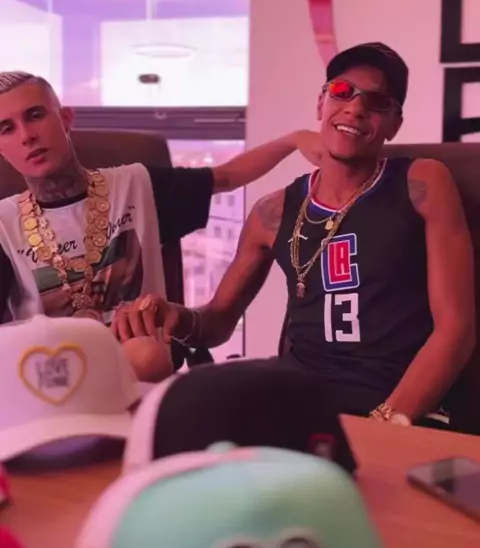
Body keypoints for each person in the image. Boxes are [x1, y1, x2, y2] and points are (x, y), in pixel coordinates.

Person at [114, 43, 476, 425]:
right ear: (322, 103)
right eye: (342, 91)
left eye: (377, 102)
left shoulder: (422, 183)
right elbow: (217, 322)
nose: (355, 108)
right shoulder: (272, 212)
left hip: (398, 408)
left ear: (394, 123)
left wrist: (386, 422)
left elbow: (456, 329)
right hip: (299, 402)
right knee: (176, 416)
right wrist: (175, 316)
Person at [0, 70, 324, 373]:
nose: (27, 136)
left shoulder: (137, 185)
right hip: (48, 377)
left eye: (36, 115)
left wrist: (292, 140)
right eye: (6, 128)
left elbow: (227, 177)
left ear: (66, 118)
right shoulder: (4, 225)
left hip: (140, 365)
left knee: (145, 355)